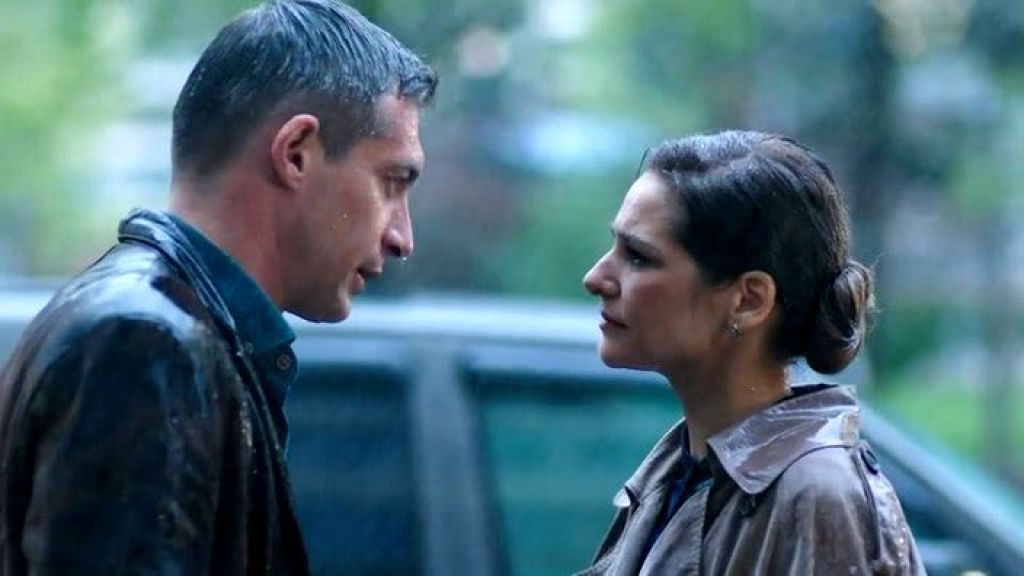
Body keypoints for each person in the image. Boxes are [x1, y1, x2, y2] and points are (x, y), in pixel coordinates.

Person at [0, 0, 436, 573]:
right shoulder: (146, 343)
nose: (403, 237)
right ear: (296, 154)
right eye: (392, 181)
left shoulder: (159, 331)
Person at [578, 131, 924, 575]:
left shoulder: (819, 498)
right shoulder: (678, 473)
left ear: (748, 300)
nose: (596, 278)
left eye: (639, 257)